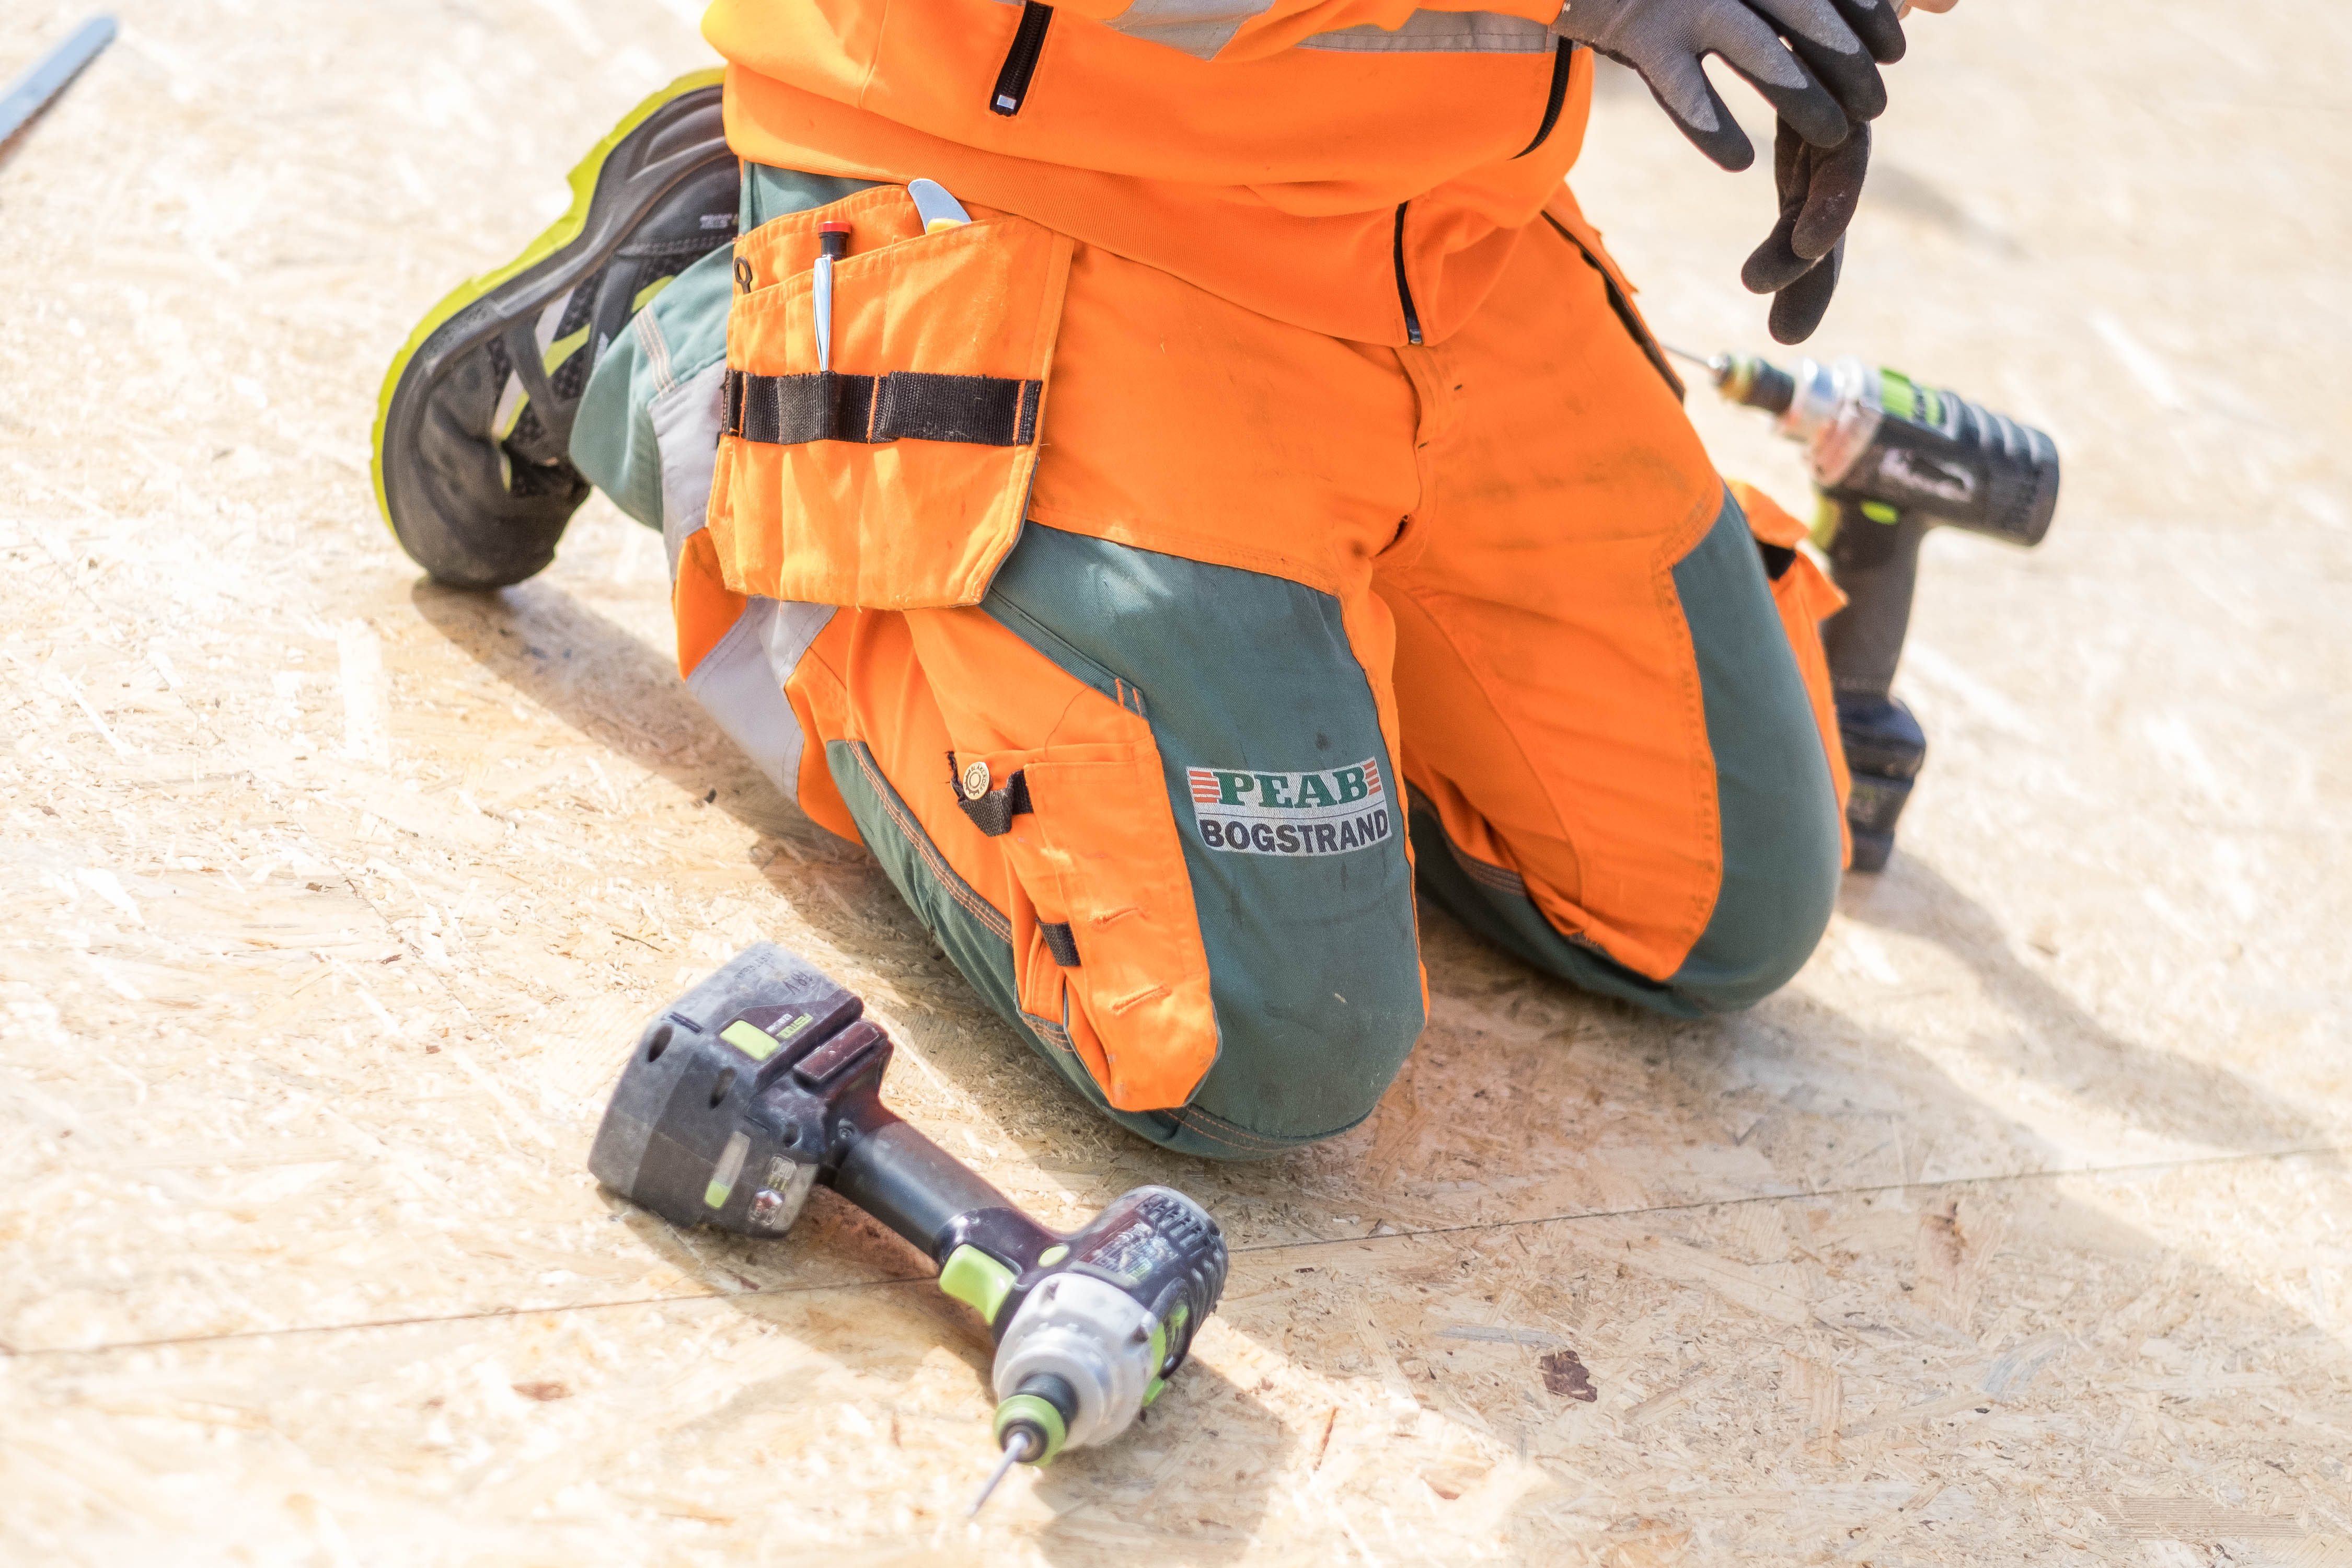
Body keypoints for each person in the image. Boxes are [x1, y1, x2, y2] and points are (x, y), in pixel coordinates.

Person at [375, 0, 1955, 1159]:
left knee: (1712, 910)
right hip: (1040, 182)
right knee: (1252, 1042)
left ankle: (1278, 648)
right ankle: (696, 325)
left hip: (1436, 225)